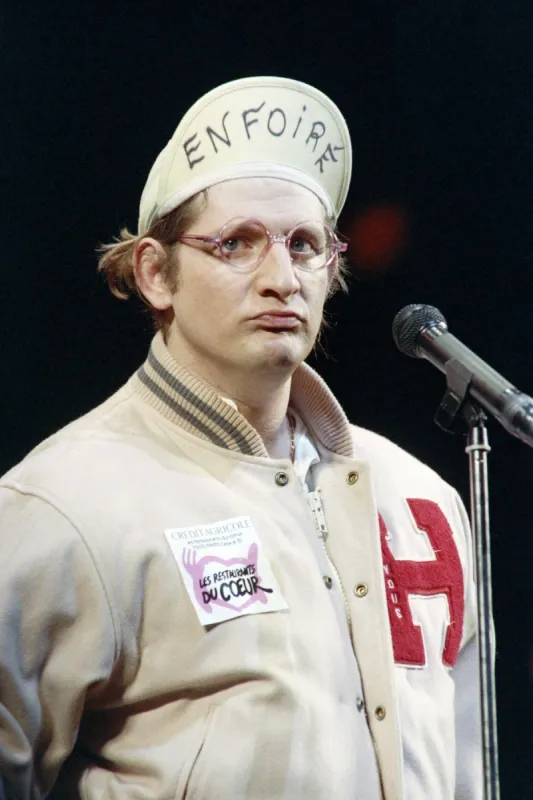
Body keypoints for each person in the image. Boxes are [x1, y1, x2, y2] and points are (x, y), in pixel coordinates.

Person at [0, 77, 481, 799]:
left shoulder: (418, 497)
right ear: (156, 273)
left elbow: (471, 766)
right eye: (237, 244)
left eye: (304, 245)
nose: (281, 278)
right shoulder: (61, 503)